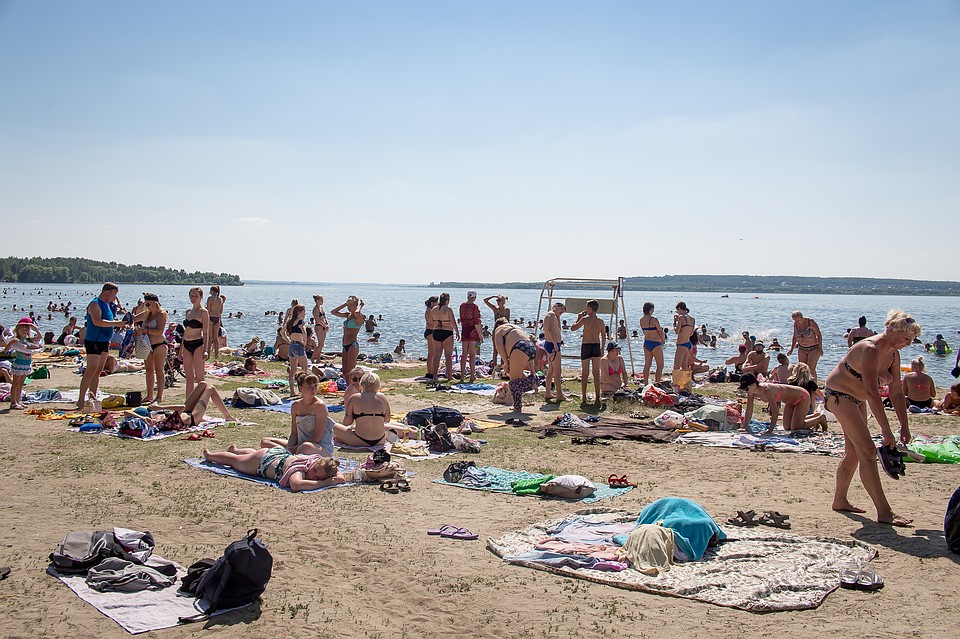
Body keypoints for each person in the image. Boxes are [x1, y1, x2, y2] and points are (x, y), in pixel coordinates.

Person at [826, 309, 920, 527]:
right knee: (868, 451)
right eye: (906, 338)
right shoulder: (870, 349)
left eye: (912, 339)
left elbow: (896, 393)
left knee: (854, 453)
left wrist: (904, 426)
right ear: (893, 330)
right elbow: (872, 391)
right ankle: (885, 512)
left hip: (857, 399)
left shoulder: (894, 354)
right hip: (840, 396)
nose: (909, 342)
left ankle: (840, 501)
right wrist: (886, 431)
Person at [201, 446, 344, 492]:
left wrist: (332, 476)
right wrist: (323, 483)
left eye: (318, 477)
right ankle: (210, 455)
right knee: (233, 461)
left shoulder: (316, 460)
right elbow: (296, 484)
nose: (313, 477)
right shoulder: (300, 469)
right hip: (262, 462)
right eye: (314, 472)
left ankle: (237, 449)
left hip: (275, 454)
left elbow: (339, 475)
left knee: (250, 454)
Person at [77, 283, 127, 410]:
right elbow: (97, 321)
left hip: (104, 341)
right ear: (108, 292)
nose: (115, 297)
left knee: (98, 370)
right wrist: (117, 323)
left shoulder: (108, 305)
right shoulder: (95, 304)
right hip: (93, 340)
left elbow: (110, 319)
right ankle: (81, 399)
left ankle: (93, 396)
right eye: (114, 294)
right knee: (91, 369)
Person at [260, 373, 333, 456]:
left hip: (318, 446)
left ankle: (290, 455)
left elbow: (318, 436)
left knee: (305, 447)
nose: (313, 390)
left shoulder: (320, 406)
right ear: (300, 388)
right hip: (300, 442)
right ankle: (289, 453)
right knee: (265, 442)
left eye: (315, 386)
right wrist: (290, 446)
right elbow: (294, 433)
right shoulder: (295, 406)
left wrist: (295, 448)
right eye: (309, 387)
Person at [739, 372, 811, 434]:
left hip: (801, 397)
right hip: (789, 401)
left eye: (746, 389)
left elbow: (775, 411)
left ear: (754, 385)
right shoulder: (751, 393)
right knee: (787, 427)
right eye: (744, 389)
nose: (746, 391)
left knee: (796, 428)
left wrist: (770, 430)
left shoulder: (767, 390)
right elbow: (749, 410)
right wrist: (745, 428)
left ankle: (819, 418)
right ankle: (805, 418)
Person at [493, 318, 538, 412]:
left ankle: (517, 406)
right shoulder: (516, 327)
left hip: (518, 348)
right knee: (516, 375)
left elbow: (499, 346)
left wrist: (506, 362)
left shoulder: (499, 329)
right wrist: (532, 372)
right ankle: (532, 380)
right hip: (531, 347)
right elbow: (526, 346)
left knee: (514, 382)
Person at [335, 371, 391, 447]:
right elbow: (387, 419)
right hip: (380, 440)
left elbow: (347, 422)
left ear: (362, 383)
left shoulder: (355, 398)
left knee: (332, 425)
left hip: (359, 439)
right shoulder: (382, 397)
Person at [134, 293, 169, 405]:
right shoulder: (146, 314)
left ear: (155, 303)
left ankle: (159, 396)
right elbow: (133, 318)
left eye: (148, 303)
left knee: (159, 370)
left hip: (159, 344)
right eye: (146, 303)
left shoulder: (161, 314)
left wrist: (145, 331)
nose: (147, 306)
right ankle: (149, 395)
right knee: (149, 370)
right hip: (147, 344)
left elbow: (159, 330)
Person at [152, 380, 235, 426]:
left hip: (185, 413)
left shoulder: (154, 417)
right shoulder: (161, 423)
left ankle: (228, 416)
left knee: (203, 384)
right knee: (210, 389)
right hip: (193, 418)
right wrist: (159, 407)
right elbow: (181, 407)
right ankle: (228, 416)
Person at [3, 318, 43, 409]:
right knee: (15, 384)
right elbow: (6, 350)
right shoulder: (16, 340)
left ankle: (18, 400)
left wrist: (34, 327)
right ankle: (13, 402)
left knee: (21, 384)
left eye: (26, 329)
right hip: (19, 364)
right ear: (18, 330)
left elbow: (40, 337)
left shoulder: (29, 340)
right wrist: (11, 343)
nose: (24, 331)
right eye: (22, 329)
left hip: (26, 365)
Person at [571, 300, 605, 404]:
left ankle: (584, 397)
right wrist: (602, 348)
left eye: (587, 307)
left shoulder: (585, 319)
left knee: (585, 372)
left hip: (586, 345)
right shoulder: (600, 321)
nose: (586, 309)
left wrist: (578, 317)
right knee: (596, 372)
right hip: (596, 345)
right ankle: (597, 397)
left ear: (589, 308)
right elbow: (604, 336)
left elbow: (573, 328)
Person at [181, 287, 209, 398]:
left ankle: (201, 401)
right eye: (191, 296)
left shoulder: (203, 312)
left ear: (201, 297)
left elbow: (206, 332)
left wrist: (206, 350)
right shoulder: (188, 311)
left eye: (196, 296)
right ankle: (188, 402)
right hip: (187, 344)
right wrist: (181, 348)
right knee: (189, 377)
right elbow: (185, 331)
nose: (193, 298)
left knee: (199, 377)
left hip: (198, 344)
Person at [332, 296, 365, 379]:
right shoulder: (347, 315)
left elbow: (357, 313)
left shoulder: (359, 317)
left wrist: (360, 305)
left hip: (352, 345)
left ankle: (353, 388)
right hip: (345, 345)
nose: (349, 307)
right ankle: (348, 388)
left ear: (356, 306)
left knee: (351, 370)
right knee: (345, 371)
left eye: (351, 305)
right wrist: (344, 304)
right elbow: (333, 312)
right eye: (348, 305)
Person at [429, 293, 459, 381]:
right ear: (447, 300)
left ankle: (435, 376)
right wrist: (457, 331)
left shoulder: (434, 309)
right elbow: (453, 322)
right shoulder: (448, 309)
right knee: (448, 356)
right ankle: (449, 376)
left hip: (436, 331)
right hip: (447, 332)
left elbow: (431, 321)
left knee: (437, 354)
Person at [787, 311, 823, 379]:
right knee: (802, 368)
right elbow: (795, 336)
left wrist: (820, 348)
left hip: (813, 347)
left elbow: (819, 335)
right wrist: (791, 349)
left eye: (798, 320)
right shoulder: (796, 324)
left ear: (801, 317)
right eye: (794, 320)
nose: (796, 322)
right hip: (802, 348)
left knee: (811, 368)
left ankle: (814, 386)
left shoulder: (810, 322)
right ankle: (804, 384)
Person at [543, 302, 566, 402]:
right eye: (561, 310)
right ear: (556, 307)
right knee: (557, 370)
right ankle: (559, 394)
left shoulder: (554, 316)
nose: (561, 313)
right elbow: (549, 330)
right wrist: (555, 344)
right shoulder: (551, 315)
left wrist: (559, 317)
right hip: (552, 344)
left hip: (553, 343)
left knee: (551, 370)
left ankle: (548, 393)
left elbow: (558, 329)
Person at [285, 304, 310, 393]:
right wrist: (305, 341)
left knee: (293, 370)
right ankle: (304, 390)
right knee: (304, 369)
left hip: (291, 345)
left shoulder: (290, 322)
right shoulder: (300, 322)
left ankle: (292, 391)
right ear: (299, 313)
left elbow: (282, 332)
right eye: (304, 312)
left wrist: (288, 339)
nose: (304, 314)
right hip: (299, 345)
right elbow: (304, 331)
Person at [459, 291, 483, 383]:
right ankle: (472, 375)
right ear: (474, 297)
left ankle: (462, 375)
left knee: (464, 353)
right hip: (472, 330)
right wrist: (480, 335)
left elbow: (461, 319)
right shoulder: (474, 307)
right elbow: (476, 321)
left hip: (465, 329)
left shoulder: (462, 306)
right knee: (472, 354)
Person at [639, 302, 665, 385]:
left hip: (647, 342)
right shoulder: (654, 320)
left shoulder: (641, 320)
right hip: (655, 343)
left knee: (647, 364)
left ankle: (645, 383)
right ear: (650, 309)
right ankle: (657, 383)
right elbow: (660, 331)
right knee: (660, 365)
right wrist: (663, 339)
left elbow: (644, 332)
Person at [483, 295, 510, 368]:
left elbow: (508, 322)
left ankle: (503, 366)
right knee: (496, 350)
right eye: (497, 301)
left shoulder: (507, 310)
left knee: (503, 349)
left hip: (504, 331)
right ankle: (494, 367)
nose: (497, 302)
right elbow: (485, 300)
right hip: (496, 330)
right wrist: (493, 296)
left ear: (503, 301)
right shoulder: (495, 309)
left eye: (499, 300)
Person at [673, 302, 695, 371]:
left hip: (681, 344)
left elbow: (677, 331)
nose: (678, 313)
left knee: (676, 366)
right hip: (687, 343)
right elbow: (691, 333)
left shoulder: (681, 317)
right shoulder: (692, 319)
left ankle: (676, 381)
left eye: (677, 311)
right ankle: (685, 381)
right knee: (685, 367)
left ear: (679, 308)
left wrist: (675, 323)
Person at [205, 286, 226, 361]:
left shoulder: (209, 299)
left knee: (210, 337)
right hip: (217, 318)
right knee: (215, 337)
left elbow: (209, 309)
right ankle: (216, 355)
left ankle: (208, 354)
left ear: (212, 291)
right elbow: (221, 311)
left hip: (211, 317)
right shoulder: (220, 299)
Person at [423, 296, 439, 379]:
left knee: (434, 353)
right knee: (431, 353)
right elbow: (430, 321)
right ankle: (429, 372)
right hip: (430, 331)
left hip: (432, 331)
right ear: (432, 303)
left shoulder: (431, 310)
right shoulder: (429, 310)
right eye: (436, 302)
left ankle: (432, 370)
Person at [311, 295, 330, 363]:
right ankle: (313, 358)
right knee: (320, 344)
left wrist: (326, 324)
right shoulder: (315, 309)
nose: (322, 301)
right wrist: (324, 325)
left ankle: (318, 359)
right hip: (319, 326)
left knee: (322, 344)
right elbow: (318, 319)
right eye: (321, 300)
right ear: (317, 300)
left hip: (324, 326)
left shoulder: (321, 308)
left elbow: (324, 317)